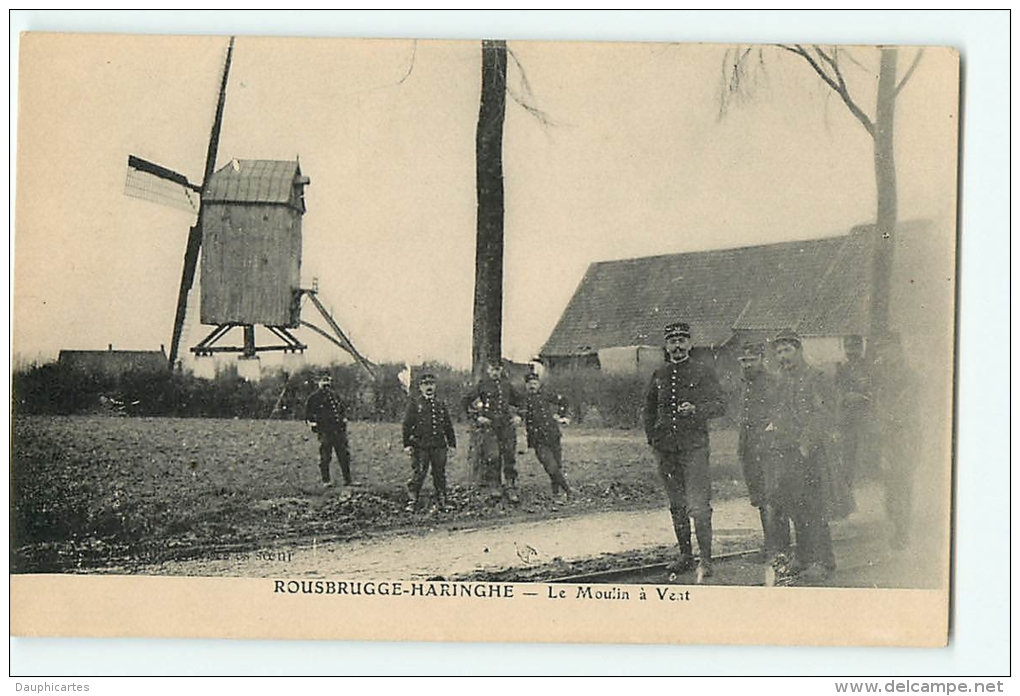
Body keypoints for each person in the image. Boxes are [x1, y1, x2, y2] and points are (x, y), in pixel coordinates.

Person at [643, 321, 726, 580]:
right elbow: (649, 410)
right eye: (672, 341)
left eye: (682, 340)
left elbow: (721, 404)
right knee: (676, 505)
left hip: (694, 448)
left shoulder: (703, 372)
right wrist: (653, 440)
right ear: (666, 346)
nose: (677, 346)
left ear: (689, 343)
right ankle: (685, 555)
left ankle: (706, 559)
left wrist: (697, 409)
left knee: (699, 506)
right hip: (667, 450)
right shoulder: (659, 374)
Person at [765, 329, 837, 583]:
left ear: (799, 350)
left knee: (814, 507)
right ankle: (804, 557)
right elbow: (778, 411)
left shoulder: (815, 377)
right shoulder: (782, 380)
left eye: (787, 350)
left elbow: (823, 414)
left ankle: (823, 561)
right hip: (785, 451)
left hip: (811, 451)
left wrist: (806, 443)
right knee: (795, 506)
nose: (783, 356)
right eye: (779, 352)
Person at [737, 340, 790, 559]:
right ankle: (771, 546)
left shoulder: (773, 382)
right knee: (760, 497)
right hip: (750, 447)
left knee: (774, 497)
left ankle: (781, 547)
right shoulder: (745, 384)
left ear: (762, 359)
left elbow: (783, 412)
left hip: (770, 448)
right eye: (744, 361)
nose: (748, 365)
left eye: (752, 360)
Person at [870, 334, 920, 549]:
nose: (882, 353)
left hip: (905, 436)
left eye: (887, 348)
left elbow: (908, 406)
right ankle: (896, 527)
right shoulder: (881, 374)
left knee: (902, 484)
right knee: (890, 486)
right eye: (880, 349)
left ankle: (902, 531)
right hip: (886, 437)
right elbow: (875, 401)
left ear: (897, 349)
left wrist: (887, 417)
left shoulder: (909, 375)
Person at [463, 359, 523, 502]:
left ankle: (510, 486)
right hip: (490, 426)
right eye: (492, 369)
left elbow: (521, 400)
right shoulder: (482, 385)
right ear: (488, 370)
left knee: (509, 456)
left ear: (501, 370)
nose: (495, 372)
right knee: (493, 456)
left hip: (506, 425)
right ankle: (494, 485)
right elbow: (466, 401)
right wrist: (477, 417)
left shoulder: (507, 385)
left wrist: (519, 416)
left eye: (498, 369)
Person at [402, 371, 456, 513]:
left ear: (435, 386)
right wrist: (407, 444)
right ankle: (412, 500)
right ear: (420, 387)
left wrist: (452, 444)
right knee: (419, 473)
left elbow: (448, 425)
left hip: (439, 445)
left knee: (439, 473)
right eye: (425, 384)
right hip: (420, 446)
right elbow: (407, 424)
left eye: (431, 384)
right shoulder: (415, 403)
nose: (429, 387)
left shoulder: (440, 404)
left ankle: (442, 501)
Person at [522, 371, 572, 501]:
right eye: (530, 384)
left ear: (539, 384)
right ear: (526, 385)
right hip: (538, 439)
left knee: (557, 465)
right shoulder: (522, 399)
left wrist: (561, 415)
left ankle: (556, 494)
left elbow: (564, 401)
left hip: (553, 435)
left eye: (535, 383)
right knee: (550, 466)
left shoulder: (545, 395)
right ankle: (568, 491)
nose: (532, 386)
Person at [835, 334, 874, 490]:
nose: (851, 351)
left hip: (866, 417)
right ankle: (847, 490)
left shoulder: (870, 368)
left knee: (866, 453)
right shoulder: (842, 369)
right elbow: (837, 392)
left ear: (861, 348)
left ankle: (868, 480)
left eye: (854, 347)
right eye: (848, 348)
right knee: (847, 457)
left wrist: (862, 397)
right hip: (847, 419)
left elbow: (876, 390)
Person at [304, 372, 353, 489]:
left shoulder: (335, 395)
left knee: (344, 456)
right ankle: (326, 481)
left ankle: (348, 480)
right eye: (323, 381)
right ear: (318, 382)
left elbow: (341, 409)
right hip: (325, 431)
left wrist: (344, 420)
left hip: (338, 431)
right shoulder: (314, 398)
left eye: (328, 380)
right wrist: (314, 426)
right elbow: (308, 415)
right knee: (325, 456)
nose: (326, 383)